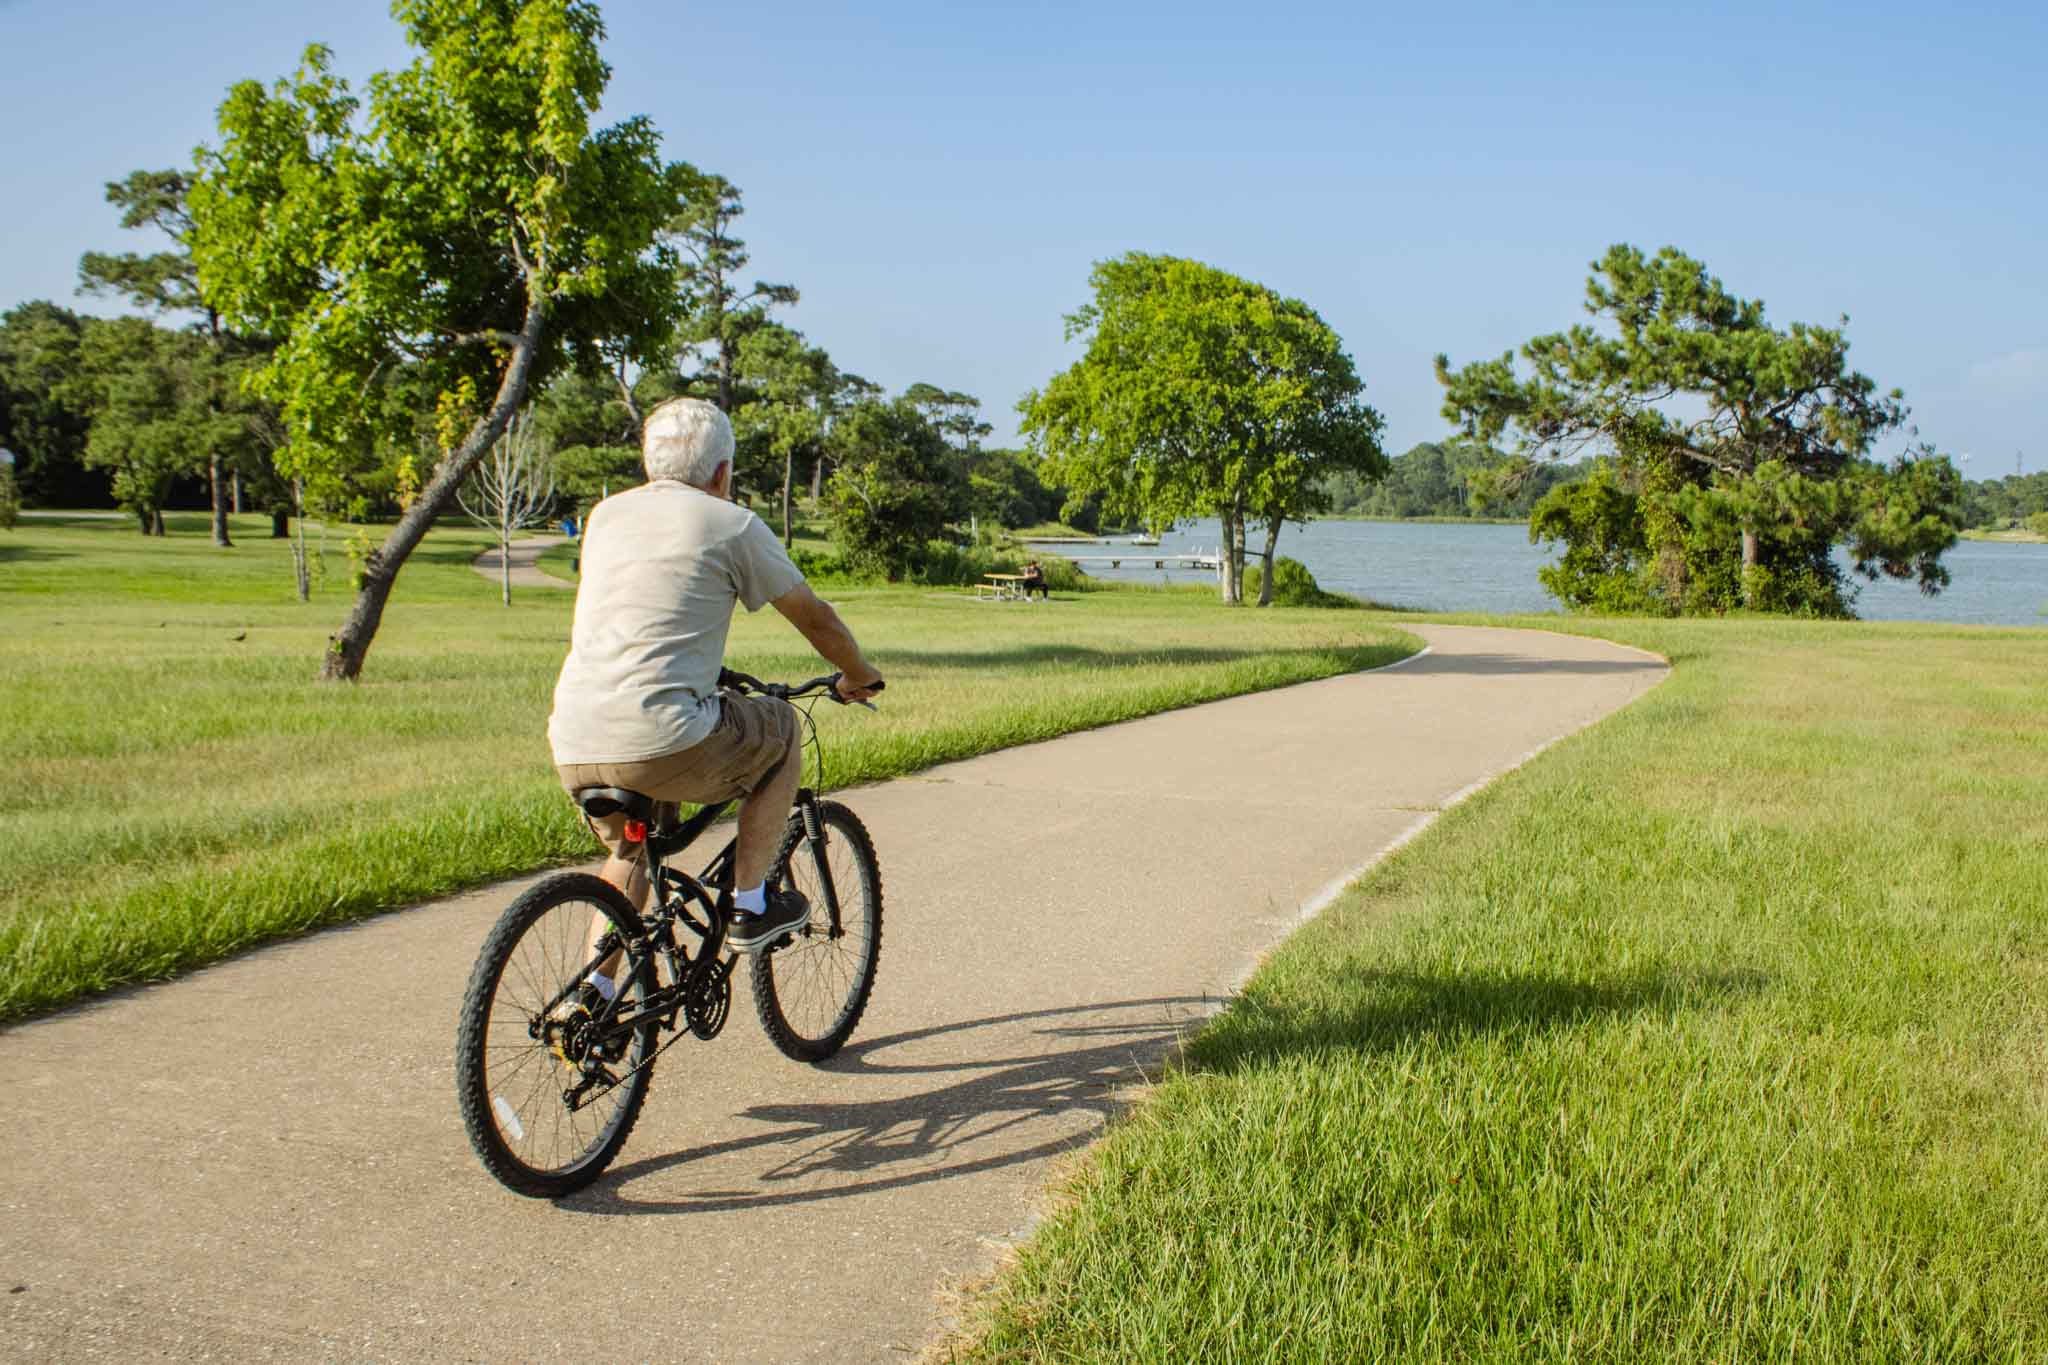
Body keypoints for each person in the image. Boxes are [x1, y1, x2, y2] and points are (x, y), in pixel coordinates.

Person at [547, 398, 883, 990]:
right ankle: (750, 905)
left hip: (575, 737)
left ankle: (593, 995)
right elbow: (816, 619)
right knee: (779, 726)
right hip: (661, 737)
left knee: (631, 851)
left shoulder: (605, 516)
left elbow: (646, 612)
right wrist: (858, 674)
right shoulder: (731, 522)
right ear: (722, 473)